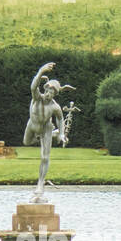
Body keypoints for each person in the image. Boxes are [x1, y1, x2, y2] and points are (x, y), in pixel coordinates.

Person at [23, 62, 74, 202]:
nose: (49, 95)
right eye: (48, 91)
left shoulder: (55, 107)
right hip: (32, 126)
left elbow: (60, 118)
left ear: (55, 95)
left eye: (52, 93)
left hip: (46, 128)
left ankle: (40, 184)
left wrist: (62, 133)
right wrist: (41, 71)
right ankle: (54, 135)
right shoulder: (37, 98)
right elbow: (33, 86)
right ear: (45, 89)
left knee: (45, 157)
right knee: (26, 142)